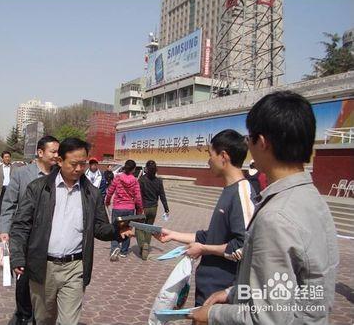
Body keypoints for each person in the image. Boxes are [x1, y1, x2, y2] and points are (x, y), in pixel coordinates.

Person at [189, 91, 339, 324]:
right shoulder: (313, 200)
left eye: (250, 138)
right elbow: (292, 286)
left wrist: (211, 314)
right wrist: (233, 292)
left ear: (262, 142)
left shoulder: (276, 217)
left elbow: (267, 317)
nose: (247, 145)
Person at [9, 137, 133, 325]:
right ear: (60, 161)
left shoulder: (91, 193)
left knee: (68, 321)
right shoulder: (38, 188)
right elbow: (21, 225)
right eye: (74, 164)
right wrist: (17, 256)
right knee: (43, 320)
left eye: (83, 164)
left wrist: (116, 230)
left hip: (75, 267)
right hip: (43, 266)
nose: (79, 169)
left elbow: (99, 228)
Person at [155, 129, 255, 306]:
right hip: (208, 291)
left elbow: (242, 247)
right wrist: (172, 234)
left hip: (222, 295)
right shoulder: (228, 191)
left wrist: (203, 249)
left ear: (223, 156)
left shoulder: (242, 193)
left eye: (210, 155)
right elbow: (211, 236)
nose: (208, 161)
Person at [0, 136, 60, 325]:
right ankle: (24, 314)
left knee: (45, 280)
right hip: (25, 237)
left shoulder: (60, 175)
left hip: (50, 238)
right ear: (40, 153)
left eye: (58, 152)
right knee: (24, 278)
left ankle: (41, 315)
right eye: (53, 151)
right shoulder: (21, 174)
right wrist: (5, 229)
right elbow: (9, 203)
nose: (56, 155)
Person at [105, 159, 143, 261]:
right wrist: (139, 210)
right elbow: (138, 197)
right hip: (130, 209)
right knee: (127, 229)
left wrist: (107, 201)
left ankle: (114, 248)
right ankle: (124, 251)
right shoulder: (135, 181)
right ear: (134, 169)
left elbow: (110, 191)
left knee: (115, 229)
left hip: (118, 208)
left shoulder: (117, 178)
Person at [137, 160, 169, 260]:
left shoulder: (141, 179)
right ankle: (146, 246)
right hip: (154, 208)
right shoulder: (159, 181)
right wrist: (166, 208)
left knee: (139, 227)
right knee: (149, 228)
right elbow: (162, 195)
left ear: (146, 168)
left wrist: (137, 206)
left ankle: (143, 245)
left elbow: (139, 195)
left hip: (143, 207)